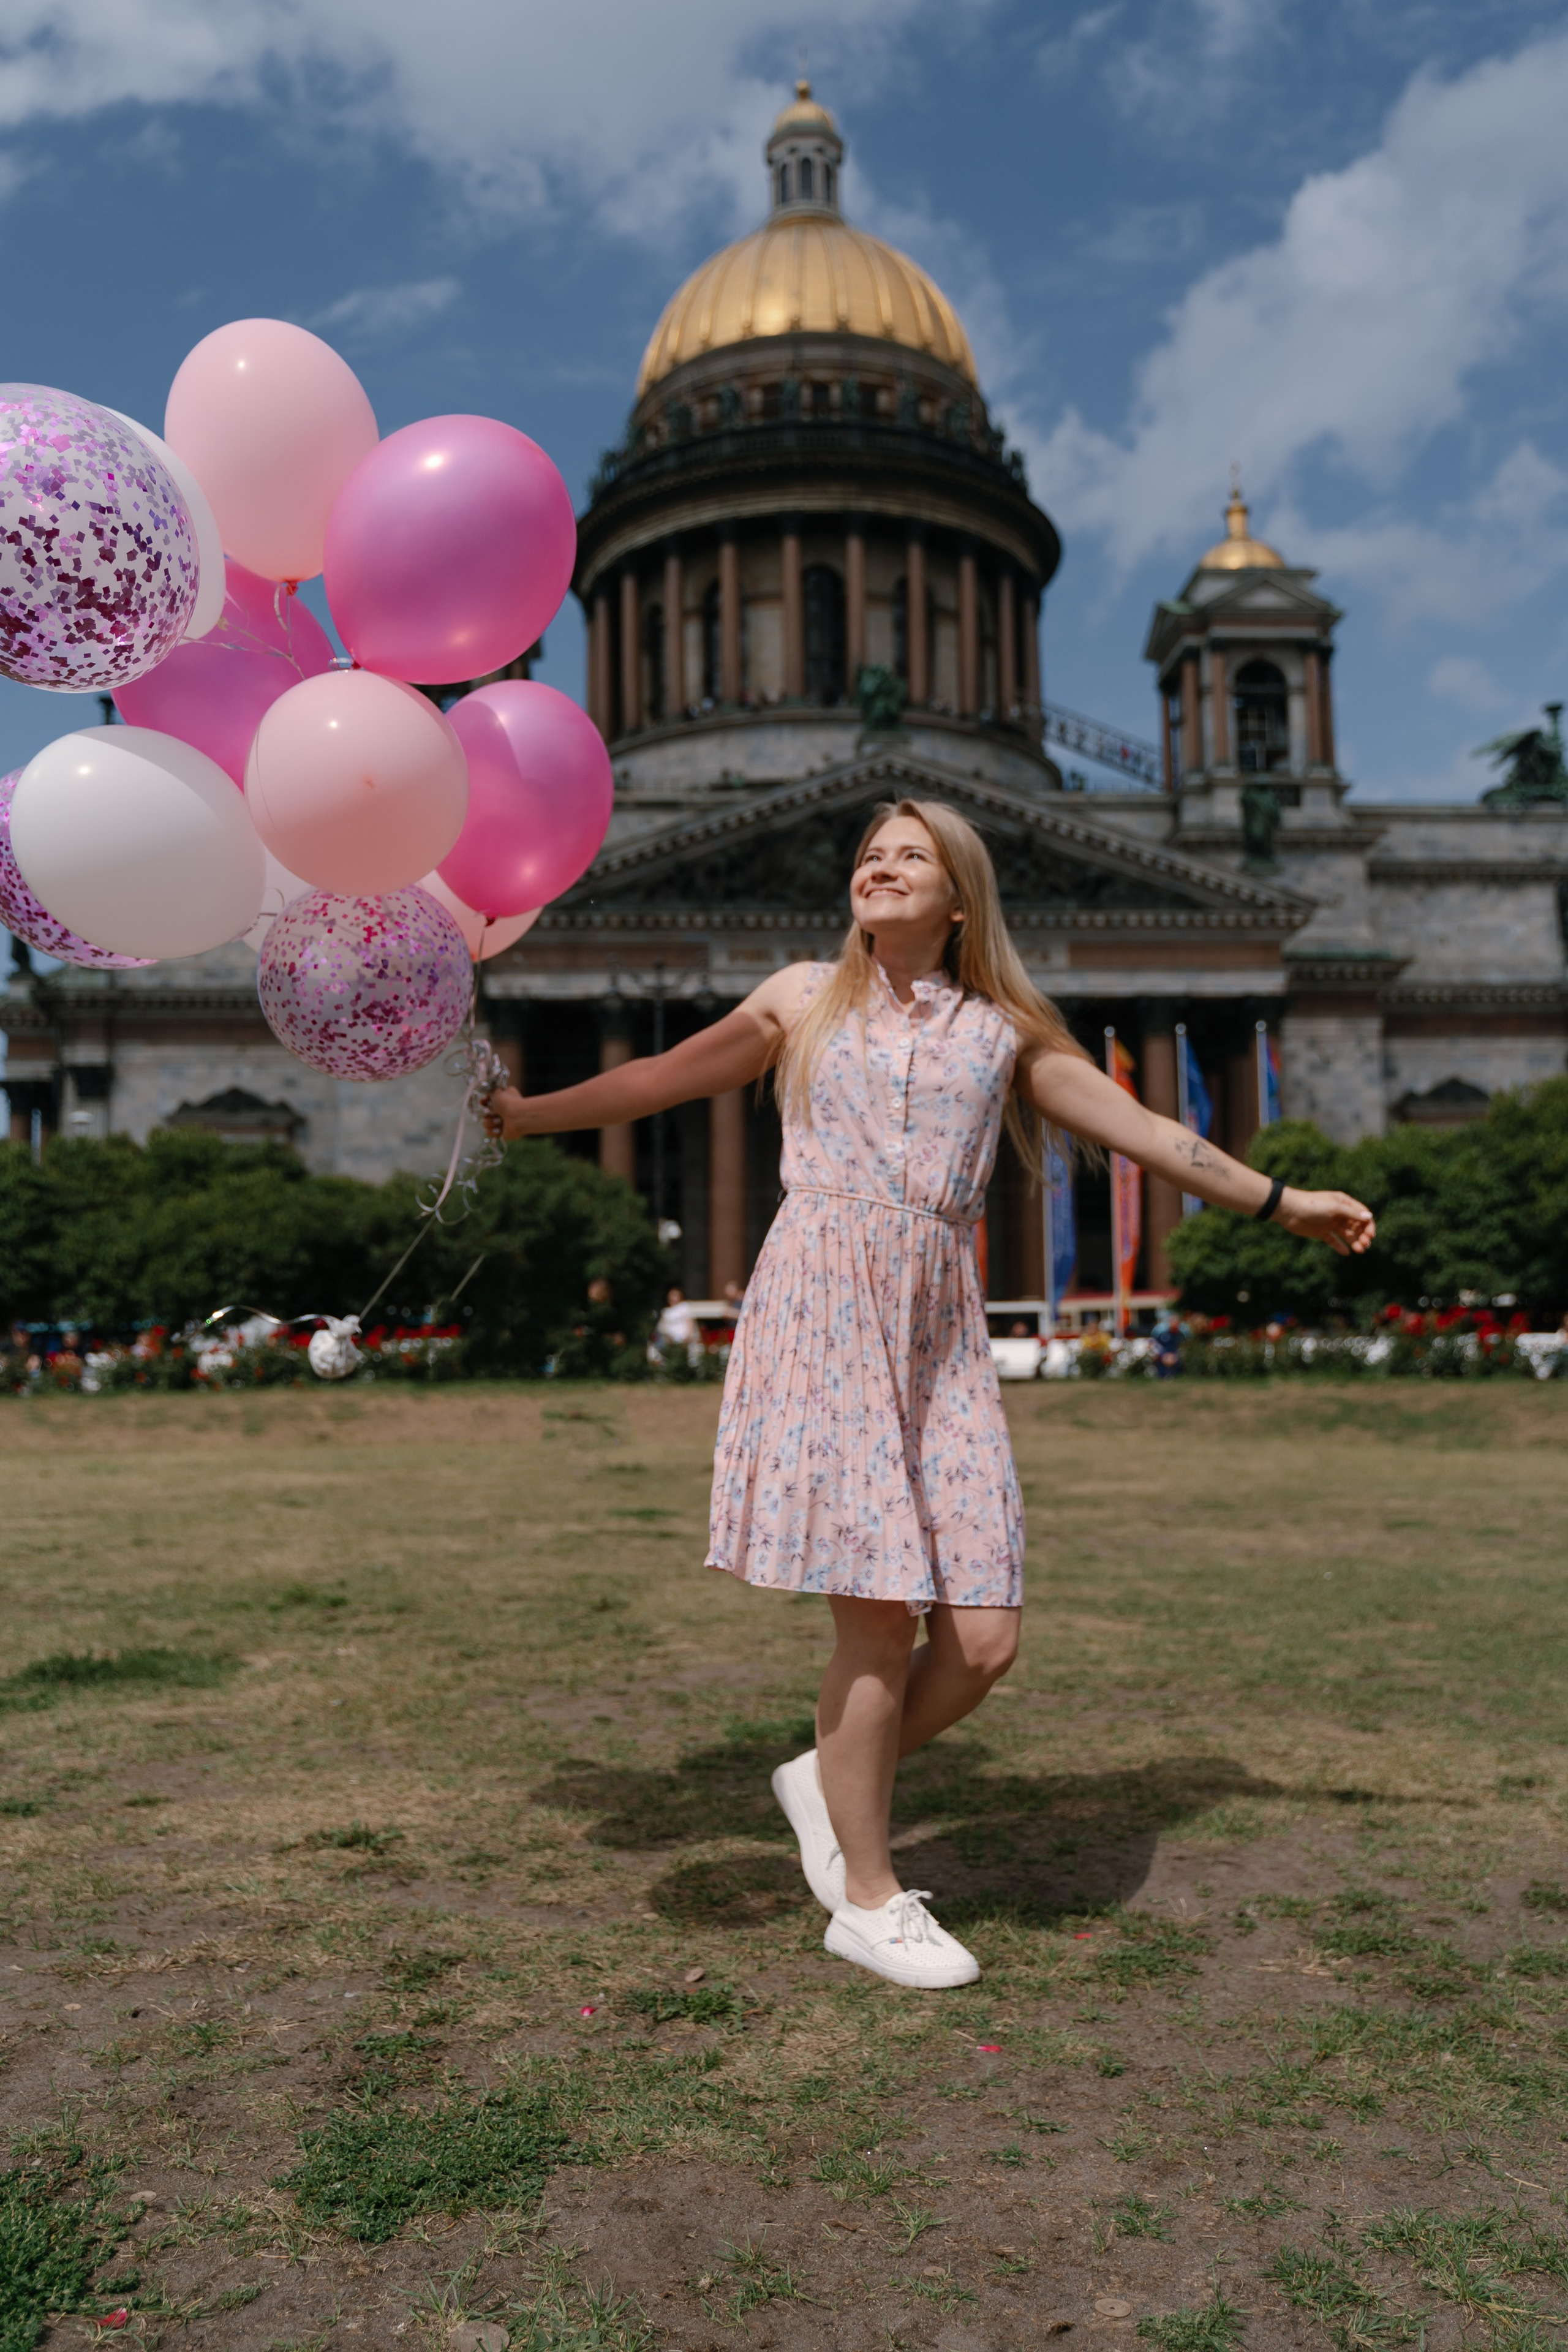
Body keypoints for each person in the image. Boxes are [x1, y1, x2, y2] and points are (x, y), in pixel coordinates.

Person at [485, 798, 1374, 1989]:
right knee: (874, 1610)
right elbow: (656, 1078)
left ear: (958, 898)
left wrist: (1282, 1200)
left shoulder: (1003, 1030)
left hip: (936, 1325)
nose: (879, 868)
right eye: (867, 856)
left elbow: (1151, 1131)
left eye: (908, 856)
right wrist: (526, 1115)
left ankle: (823, 1775)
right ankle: (866, 1894)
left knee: (984, 1637)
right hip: (820, 1305)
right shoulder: (799, 997)